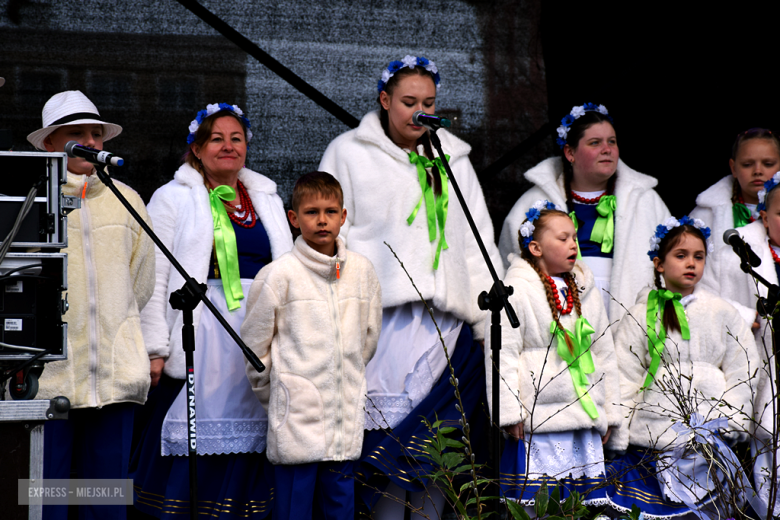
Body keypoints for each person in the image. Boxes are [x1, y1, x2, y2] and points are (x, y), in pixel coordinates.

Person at [318, 55, 502, 518]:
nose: (420, 112)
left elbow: (476, 239)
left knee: (437, 455)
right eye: (408, 102)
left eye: (429, 103)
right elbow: (328, 237)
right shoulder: (348, 152)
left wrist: (488, 324)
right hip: (384, 327)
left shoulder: (454, 159)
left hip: (446, 327)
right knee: (386, 453)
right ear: (384, 101)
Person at [131, 103, 293, 518]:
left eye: (236, 138)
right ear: (197, 149)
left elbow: (288, 271)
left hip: (255, 329)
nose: (228, 146)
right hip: (198, 329)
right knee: (192, 433)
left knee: (253, 431)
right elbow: (155, 276)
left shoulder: (267, 198)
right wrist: (154, 345)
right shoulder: (172, 198)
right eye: (216, 138)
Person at [26, 90, 156, 520]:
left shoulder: (128, 200)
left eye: (96, 134)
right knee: (45, 503)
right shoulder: (29, 203)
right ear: (49, 144)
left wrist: (119, 338)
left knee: (105, 505)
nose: (92, 142)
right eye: (77, 134)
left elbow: (141, 284)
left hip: (114, 384)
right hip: (48, 382)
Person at [242, 171, 382, 520]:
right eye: (311, 212)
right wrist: (282, 396)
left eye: (331, 211)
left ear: (343, 216)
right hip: (296, 429)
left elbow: (368, 338)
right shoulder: (279, 275)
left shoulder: (362, 272)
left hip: (343, 425)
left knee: (340, 511)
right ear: (294, 218)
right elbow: (255, 350)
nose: (322, 220)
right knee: (294, 512)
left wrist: (346, 377)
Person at [606, 216, 759, 519]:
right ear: (659, 264)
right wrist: (620, 430)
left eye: (698, 256)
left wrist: (731, 420)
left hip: (710, 436)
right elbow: (624, 375)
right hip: (652, 438)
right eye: (681, 255)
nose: (691, 263)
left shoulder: (723, 313)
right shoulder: (640, 315)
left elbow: (743, 370)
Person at [489, 200, 622, 512]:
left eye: (574, 237)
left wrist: (611, 414)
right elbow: (503, 355)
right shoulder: (515, 289)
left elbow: (604, 353)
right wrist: (510, 412)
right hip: (539, 421)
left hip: (582, 421)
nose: (572, 244)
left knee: (579, 507)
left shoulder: (584, 288)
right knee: (536, 505)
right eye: (562, 239)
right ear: (535, 248)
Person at [499, 104, 670, 319]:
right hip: (558, 323)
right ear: (570, 152)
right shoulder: (534, 202)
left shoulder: (646, 201)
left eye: (612, 142)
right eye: (595, 143)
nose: (607, 149)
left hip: (633, 321)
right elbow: (510, 268)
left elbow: (672, 263)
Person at [701, 174, 780, 517]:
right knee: (768, 450)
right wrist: (750, 315)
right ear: (763, 216)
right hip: (763, 364)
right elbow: (709, 294)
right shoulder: (740, 250)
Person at [690, 128, 780, 245]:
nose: (757, 171)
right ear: (733, 168)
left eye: (768, 164)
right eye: (747, 164)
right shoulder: (705, 217)